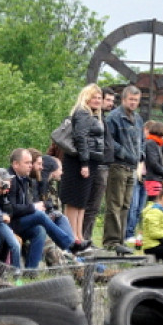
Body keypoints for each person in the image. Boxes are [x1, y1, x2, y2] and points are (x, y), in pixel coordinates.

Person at [8, 147, 89, 269]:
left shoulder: (23, 179)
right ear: (15, 164)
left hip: (21, 220)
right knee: (40, 216)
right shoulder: (10, 180)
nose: (30, 166)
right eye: (27, 163)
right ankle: (69, 245)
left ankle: (31, 271)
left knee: (40, 230)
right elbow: (11, 209)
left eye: (31, 163)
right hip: (9, 222)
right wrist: (33, 207)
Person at [59, 84, 106, 241]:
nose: (98, 100)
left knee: (82, 201)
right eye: (94, 97)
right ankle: (71, 235)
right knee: (74, 200)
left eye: (100, 98)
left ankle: (78, 234)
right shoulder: (82, 113)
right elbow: (81, 138)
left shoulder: (92, 115)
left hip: (89, 160)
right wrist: (84, 163)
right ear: (87, 97)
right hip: (78, 161)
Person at [103, 85, 144, 255]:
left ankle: (121, 239)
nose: (133, 103)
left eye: (136, 100)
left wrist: (141, 156)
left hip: (132, 167)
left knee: (127, 205)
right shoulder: (113, 118)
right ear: (124, 99)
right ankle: (111, 241)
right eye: (131, 100)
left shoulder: (138, 119)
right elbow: (110, 142)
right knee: (115, 203)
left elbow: (142, 141)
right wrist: (127, 155)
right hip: (118, 165)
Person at [83, 86, 116, 243]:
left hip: (104, 165)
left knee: (94, 207)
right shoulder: (92, 119)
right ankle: (84, 239)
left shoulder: (103, 119)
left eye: (111, 100)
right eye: (107, 100)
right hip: (97, 165)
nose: (109, 103)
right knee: (91, 205)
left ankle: (87, 238)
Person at [142, 120, 163, 202]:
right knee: (153, 203)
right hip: (152, 180)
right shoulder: (151, 143)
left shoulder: (156, 144)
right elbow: (153, 162)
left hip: (155, 179)